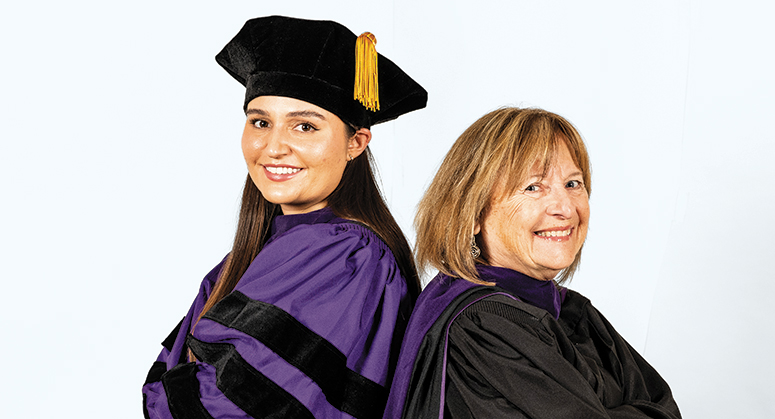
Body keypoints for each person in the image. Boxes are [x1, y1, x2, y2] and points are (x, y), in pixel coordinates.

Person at [142, 16, 427, 419]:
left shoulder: (344, 255)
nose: (274, 147)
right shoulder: (259, 250)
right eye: (260, 122)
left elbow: (221, 406)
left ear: (356, 143)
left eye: (305, 127)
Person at [383, 107, 681, 418]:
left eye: (573, 183)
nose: (565, 208)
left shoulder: (571, 312)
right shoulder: (482, 326)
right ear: (473, 214)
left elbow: (667, 409)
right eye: (533, 187)